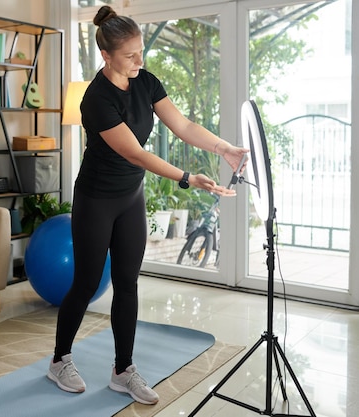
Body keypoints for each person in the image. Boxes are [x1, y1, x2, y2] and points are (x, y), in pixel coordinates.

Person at [46, 5, 249, 405]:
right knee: (86, 283)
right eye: (130, 55)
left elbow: (184, 125)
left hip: (130, 197)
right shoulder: (96, 99)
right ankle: (59, 361)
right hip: (96, 198)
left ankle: (123, 370)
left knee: (127, 282)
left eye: (141, 51)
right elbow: (136, 153)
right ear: (106, 56)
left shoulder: (146, 80)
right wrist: (187, 178)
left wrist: (224, 147)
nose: (140, 60)